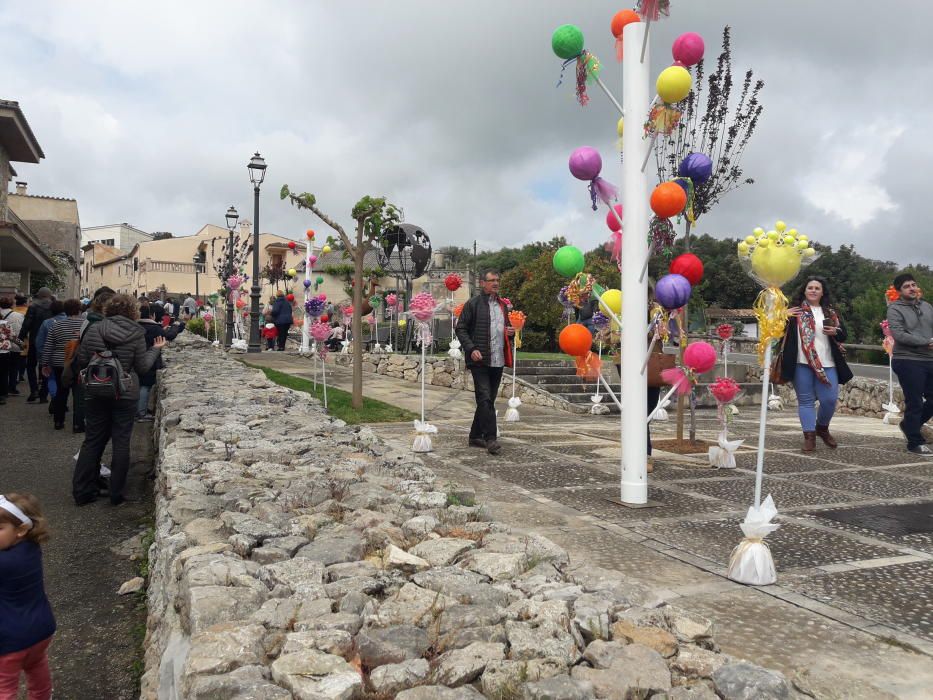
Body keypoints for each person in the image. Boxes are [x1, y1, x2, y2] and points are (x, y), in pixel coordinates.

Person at [72, 294, 164, 506]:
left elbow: (83, 360)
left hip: (95, 389)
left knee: (92, 440)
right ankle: (116, 493)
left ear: (108, 310)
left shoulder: (95, 329)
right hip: (125, 391)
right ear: (133, 311)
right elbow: (141, 367)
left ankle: (82, 491)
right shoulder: (136, 333)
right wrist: (155, 350)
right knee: (121, 441)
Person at [782, 276, 853, 451]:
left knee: (829, 400)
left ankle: (822, 428)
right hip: (801, 363)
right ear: (804, 291)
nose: (813, 290)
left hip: (827, 363)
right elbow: (775, 330)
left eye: (817, 288)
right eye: (810, 288)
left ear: (822, 292)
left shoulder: (830, 312)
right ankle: (809, 437)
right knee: (805, 401)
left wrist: (835, 331)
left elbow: (843, 335)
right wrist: (782, 316)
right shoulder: (795, 312)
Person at [0, 492, 55, 700]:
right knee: (37, 667)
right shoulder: (31, 548)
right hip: (42, 629)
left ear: (21, 529)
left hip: (9, 639)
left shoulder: (4, 563)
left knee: (4, 685)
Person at [455, 269, 514, 455]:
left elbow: (503, 330)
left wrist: (509, 333)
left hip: (498, 359)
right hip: (479, 360)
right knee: (485, 397)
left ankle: (474, 436)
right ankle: (491, 439)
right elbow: (461, 329)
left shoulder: (503, 306)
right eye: (492, 280)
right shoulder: (472, 304)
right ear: (483, 283)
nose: (496, 283)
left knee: (487, 400)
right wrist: (471, 349)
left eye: (498, 280)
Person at [886, 273, 933, 456]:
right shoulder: (895, 309)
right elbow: (899, 335)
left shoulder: (927, 306)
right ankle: (914, 442)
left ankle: (908, 426)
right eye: (907, 286)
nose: (912, 288)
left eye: (913, 285)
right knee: (915, 402)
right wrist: (924, 342)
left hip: (929, 358)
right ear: (899, 291)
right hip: (907, 359)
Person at [40, 299, 85, 431]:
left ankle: (58, 421)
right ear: (79, 309)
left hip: (60, 362)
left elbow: (48, 346)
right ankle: (78, 424)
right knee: (79, 394)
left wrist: (45, 363)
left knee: (61, 392)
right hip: (78, 362)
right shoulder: (85, 325)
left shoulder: (56, 325)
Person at [137, 303, 184, 421]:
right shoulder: (154, 328)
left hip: (137, 358)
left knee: (139, 385)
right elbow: (170, 335)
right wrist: (177, 325)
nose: (162, 319)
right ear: (152, 315)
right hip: (149, 360)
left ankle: (138, 410)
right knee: (145, 386)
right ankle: (141, 413)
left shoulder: (137, 325)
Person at [18, 289, 55, 404]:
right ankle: (44, 394)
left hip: (34, 340)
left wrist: (21, 338)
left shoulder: (33, 307)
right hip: (49, 342)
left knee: (30, 366)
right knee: (46, 366)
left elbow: (27, 324)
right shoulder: (54, 307)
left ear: (39, 296)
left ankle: (34, 390)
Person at [0, 298, 24, 403]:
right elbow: (12, 336)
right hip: (3, 351)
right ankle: (2, 394)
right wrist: (21, 344)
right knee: (4, 373)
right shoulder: (3, 324)